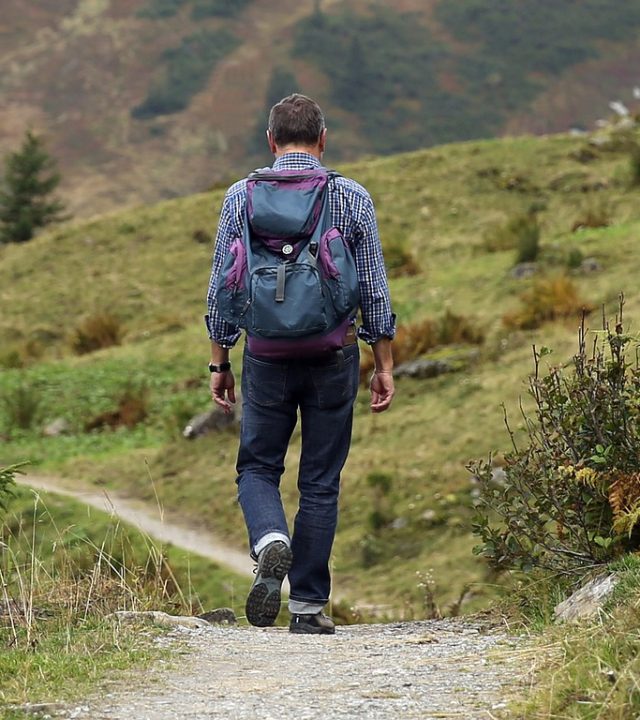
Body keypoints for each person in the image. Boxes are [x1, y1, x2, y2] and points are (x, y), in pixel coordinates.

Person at [205, 93, 395, 634]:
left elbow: (223, 284)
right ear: (322, 138)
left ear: (270, 141)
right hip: (333, 353)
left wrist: (220, 360)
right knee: (320, 480)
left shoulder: (240, 197)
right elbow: (375, 289)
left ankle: (270, 540)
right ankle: (308, 607)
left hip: (264, 354)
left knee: (258, 467)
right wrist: (383, 362)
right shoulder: (350, 197)